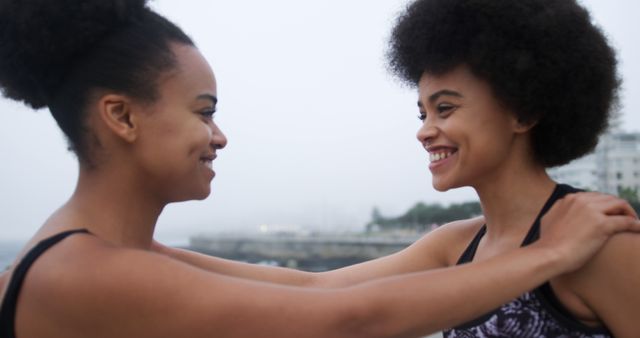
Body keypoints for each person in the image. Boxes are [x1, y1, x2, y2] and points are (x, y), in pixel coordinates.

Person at [0, 1, 638, 338]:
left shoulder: (599, 244)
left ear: (525, 109)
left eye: (445, 108)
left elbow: (314, 290)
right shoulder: (81, 273)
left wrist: (560, 251)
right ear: (121, 117)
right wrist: (547, 258)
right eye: (204, 111)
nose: (424, 129)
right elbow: (346, 319)